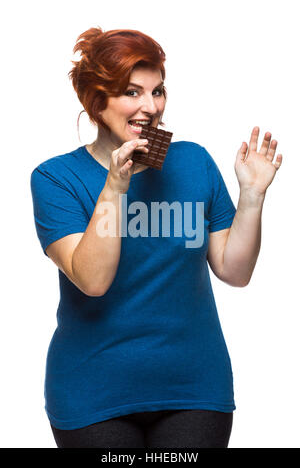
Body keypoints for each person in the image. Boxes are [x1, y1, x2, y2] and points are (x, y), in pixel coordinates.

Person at [30, 26, 282, 449]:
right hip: (93, 394)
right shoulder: (56, 179)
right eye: (132, 92)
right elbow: (92, 280)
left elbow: (234, 272)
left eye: (158, 91)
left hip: (194, 389)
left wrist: (252, 196)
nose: (151, 107)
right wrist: (113, 186)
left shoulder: (193, 162)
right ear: (96, 100)